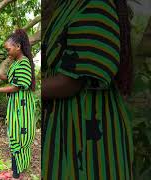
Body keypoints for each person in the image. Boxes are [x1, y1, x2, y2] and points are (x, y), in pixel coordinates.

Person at [41, 0, 133, 179]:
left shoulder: (96, 4)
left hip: (86, 131)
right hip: (67, 122)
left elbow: (71, 81)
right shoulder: (70, 4)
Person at [0, 29, 36, 179]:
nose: (7, 52)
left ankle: (15, 174)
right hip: (16, 105)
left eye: (8, 49)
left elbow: (17, 86)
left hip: (22, 108)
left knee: (18, 137)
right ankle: (15, 170)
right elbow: (13, 79)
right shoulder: (16, 63)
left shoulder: (24, 63)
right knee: (14, 137)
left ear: (18, 46)